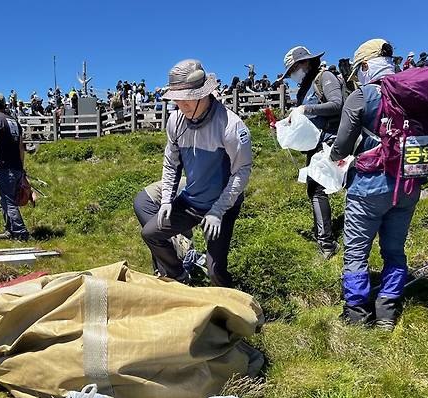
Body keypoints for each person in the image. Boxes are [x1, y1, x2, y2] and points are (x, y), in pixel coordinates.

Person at [330, 39, 421, 329]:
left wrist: (332, 156)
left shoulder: (362, 96)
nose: (358, 75)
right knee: (394, 249)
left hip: (369, 186)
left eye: (359, 69)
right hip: (407, 184)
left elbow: (342, 145)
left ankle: (357, 313)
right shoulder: (411, 91)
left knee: (357, 250)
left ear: (366, 65)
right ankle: (388, 309)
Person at [141, 59, 253, 287]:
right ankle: (178, 274)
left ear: (204, 94)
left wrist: (218, 211)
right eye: (178, 100)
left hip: (222, 205)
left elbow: (241, 171)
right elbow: (171, 163)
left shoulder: (231, 126)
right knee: (150, 233)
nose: (182, 106)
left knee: (215, 270)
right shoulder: (175, 121)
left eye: (188, 99)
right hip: (191, 201)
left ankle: (231, 312)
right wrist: (165, 201)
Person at [277, 45, 344, 258]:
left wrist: (306, 109)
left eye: (295, 68)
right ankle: (326, 242)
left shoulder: (325, 78)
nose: (294, 75)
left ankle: (336, 240)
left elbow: (337, 104)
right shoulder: (305, 88)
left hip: (335, 141)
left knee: (340, 186)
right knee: (315, 188)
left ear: (305, 62)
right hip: (316, 145)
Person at [0, 92, 30, 241]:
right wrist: (21, 169)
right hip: (16, 166)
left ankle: (20, 232)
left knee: (8, 201)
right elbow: (21, 147)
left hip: (6, 167)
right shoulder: (14, 121)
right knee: (5, 200)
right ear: (4, 104)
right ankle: (9, 230)